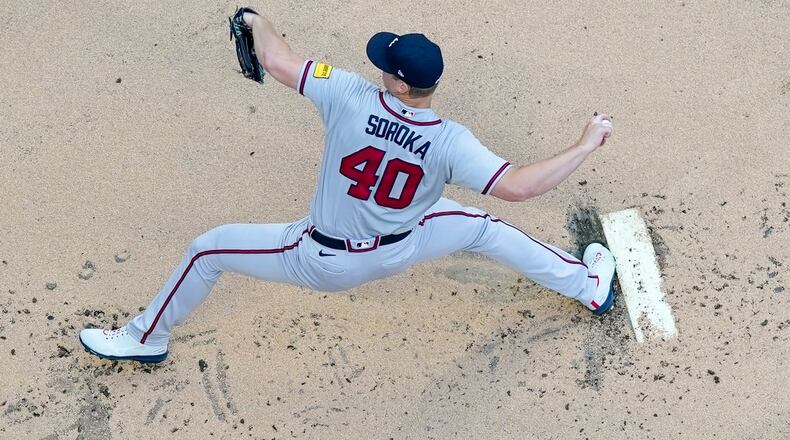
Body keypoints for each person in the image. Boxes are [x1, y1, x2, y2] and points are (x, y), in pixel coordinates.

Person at [79, 9, 616, 363]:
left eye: (387, 64)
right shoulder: (452, 141)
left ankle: (145, 338)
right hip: (405, 244)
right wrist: (584, 145)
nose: (378, 66)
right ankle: (587, 286)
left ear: (400, 82)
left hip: (322, 259)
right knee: (483, 226)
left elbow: (275, 58)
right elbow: (520, 187)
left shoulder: (350, 94)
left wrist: (253, 17)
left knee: (207, 250)